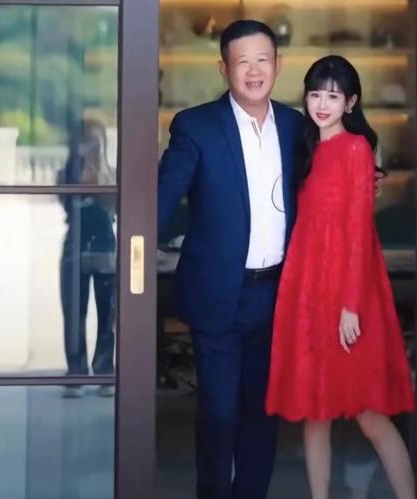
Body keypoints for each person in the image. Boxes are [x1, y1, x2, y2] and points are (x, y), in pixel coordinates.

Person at [157, 20, 303, 499]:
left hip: (277, 294)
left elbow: (327, 179)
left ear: (278, 65)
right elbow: (162, 197)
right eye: (242, 62)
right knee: (219, 413)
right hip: (219, 293)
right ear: (224, 68)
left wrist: (369, 176)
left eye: (263, 60)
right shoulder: (196, 126)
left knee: (263, 413)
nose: (254, 71)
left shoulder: (295, 127)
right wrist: (133, 244)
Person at [265, 55, 416, 499]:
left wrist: (350, 305)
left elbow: (357, 231)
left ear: (350, 102)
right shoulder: (304, 150)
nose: (321, 104)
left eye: (332, 96)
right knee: (316, 414)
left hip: (348, 295)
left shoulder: (356, 149)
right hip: (308, 291)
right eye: (314, 94)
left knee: (370, 415)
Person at [58, 118, 117, 398]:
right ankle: (76, 373)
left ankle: (105, 372)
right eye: (86, 141)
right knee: (74, 315)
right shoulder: (66, 174)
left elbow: (112, 208)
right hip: (75, 249)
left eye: (96, 141)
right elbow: (70, 206)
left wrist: (101, 170)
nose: (91, 146)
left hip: (105, 250)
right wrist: (80, 168)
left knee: (107, 316)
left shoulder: (112, 173)